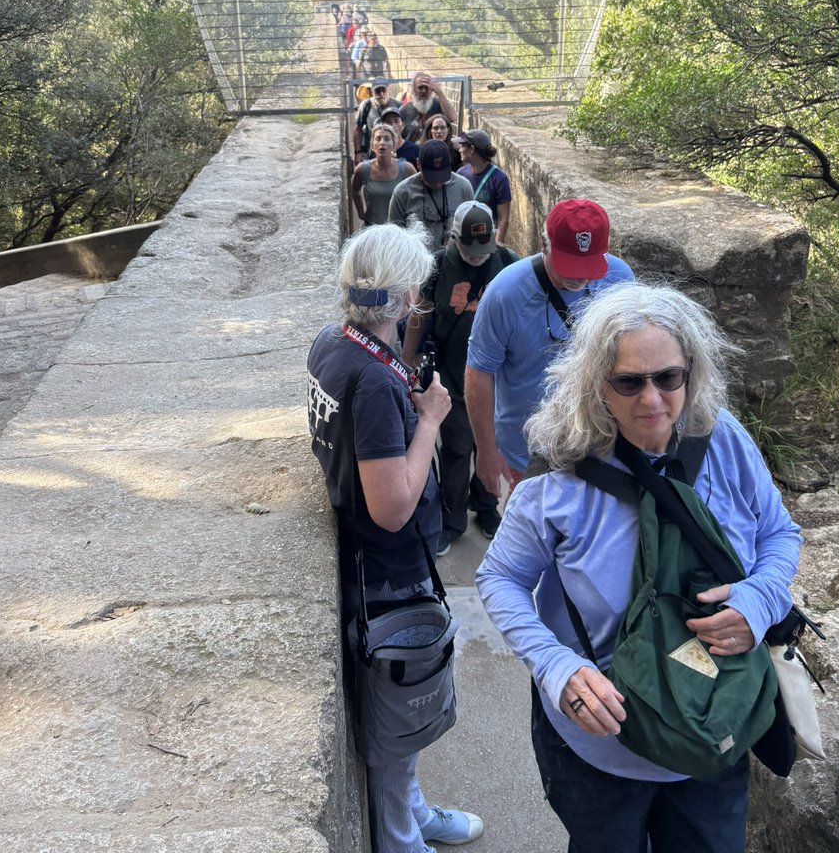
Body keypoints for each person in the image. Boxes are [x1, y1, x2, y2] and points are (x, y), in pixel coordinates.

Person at [476, 282, 802, 853]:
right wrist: (556, 666)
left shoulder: (723, 440)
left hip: (714, 727)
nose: (652, 399)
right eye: (629, 382)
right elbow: (500, 577)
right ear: (596, 384)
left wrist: (759, 601)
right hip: (601, 745)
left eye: (668, 378)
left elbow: (778, 532)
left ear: (691, 373)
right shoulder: (560, 478)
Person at [307, 224, 484, 853]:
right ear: (407, 295)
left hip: (368, 560)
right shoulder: (378, 382)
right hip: (385, 569)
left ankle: (412, 813)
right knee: (398, 709)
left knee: (402, 710)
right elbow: (391, 508)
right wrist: (429, 419)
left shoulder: (333, 342)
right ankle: (403, 841)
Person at [465, 199, 634, 496]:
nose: (580, 277)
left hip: (600, 444)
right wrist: (487, 450)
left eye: (589, 265)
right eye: (570, 266)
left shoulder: (619, 280)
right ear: (544, 245)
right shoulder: (505, 294)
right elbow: (478, 372)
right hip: (529, 453)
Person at [403, 201, 518, 554]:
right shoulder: (438, 266)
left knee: (492, 446)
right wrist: (407, 359)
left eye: (484, 247)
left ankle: (485, 505)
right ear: (454, 239)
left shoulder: (508, 263)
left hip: (496, 381)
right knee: (457, 450)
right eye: (471, 248)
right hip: (452, 379)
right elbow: (420, 314)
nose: (479, 255)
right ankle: (452, 520)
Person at [388, 140, 473, 252]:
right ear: (418, 164)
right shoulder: (403, 192)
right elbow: (395, 236)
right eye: (431, 177)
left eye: (442, 176)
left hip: (452, 258)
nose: (437, 182)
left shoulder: (463, 187)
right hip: (417, 258)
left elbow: (470, 228)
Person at [454, 129, 512, 246]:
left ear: (472, 149)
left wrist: (497, 242)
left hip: (487, 239)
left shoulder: (499, 178)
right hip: (464, 238)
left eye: (463, 146)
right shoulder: (461, 174)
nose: (459, 149)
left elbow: (503, 218)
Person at [352, 124, 417, 226]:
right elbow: (355, 189)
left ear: (394, 145)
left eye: (387, 139)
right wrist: (360, 212)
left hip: (399, 229)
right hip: (372, 228)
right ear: (372, 145)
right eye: (378, 139)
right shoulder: (363, 169)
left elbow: (419, 192)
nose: (382, 143)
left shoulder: (406, 169)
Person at [399, 72, 457, 141]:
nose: (424, 91)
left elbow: (452, 118)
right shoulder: (404, 110)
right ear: (413, 90)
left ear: (431, 89)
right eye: (420, 88)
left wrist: (439, 92)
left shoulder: (438, 105)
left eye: (427, 87)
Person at [352, 79, 392, 164]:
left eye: (383, 90)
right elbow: (358, 129)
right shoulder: (366, 105)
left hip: (392, 153)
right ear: (372, 92)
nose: (381, 94)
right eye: (378, 91)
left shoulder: (397, 105)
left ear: (388, 90)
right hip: (371, 154)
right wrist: (358, 153)